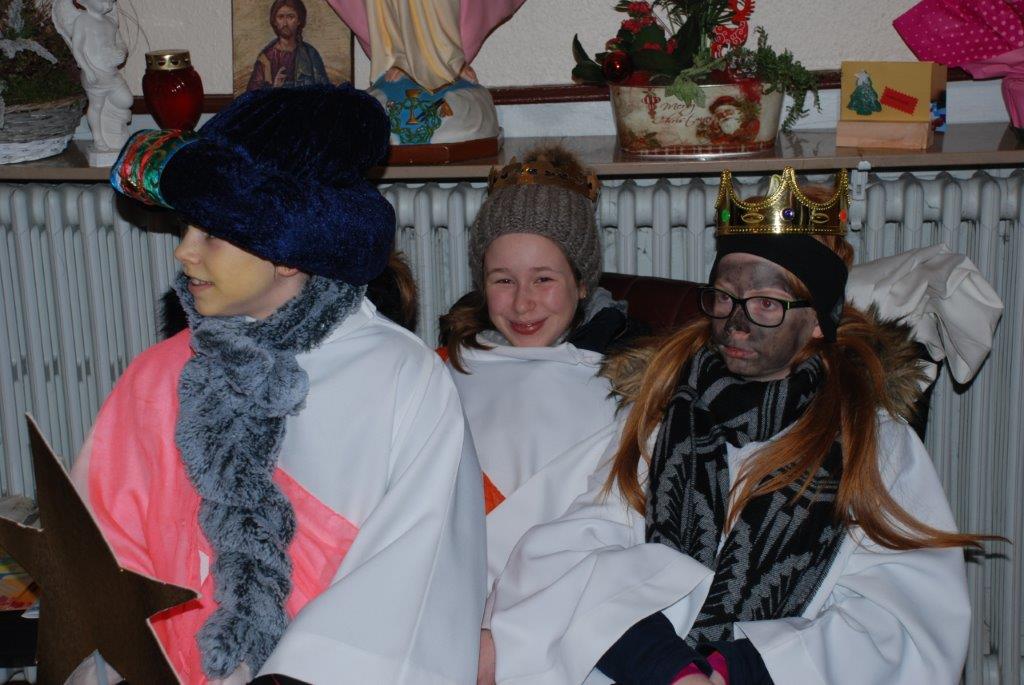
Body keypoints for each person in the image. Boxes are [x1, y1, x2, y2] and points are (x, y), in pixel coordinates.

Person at [486, 167, 981, 685]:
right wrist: (667, 667)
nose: (736, 325)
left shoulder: (872, 443)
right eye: (724, 298)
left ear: (818, 319)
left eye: (767, 304)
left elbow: (905, 625)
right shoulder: (664, 417)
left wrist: (736, 669)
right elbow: (575, 553)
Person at [70, 83, 485, 685]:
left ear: (289, 251)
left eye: (211, 234)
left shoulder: (400, 381)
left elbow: (410, 584)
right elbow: (102, 548)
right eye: (186, 227)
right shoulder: (158, 375)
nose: (184, 252)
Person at [439, 147, 641, 685]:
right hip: (445, 614)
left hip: (561, 628)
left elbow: (618, 534)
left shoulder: (626, 391)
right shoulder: (442, 374)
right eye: (503, 280)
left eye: (544, 279)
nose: (523, 304)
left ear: (582, 281)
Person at [247, 0, 329, 91]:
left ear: (299, 20)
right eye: (280, 17)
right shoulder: (266, 59)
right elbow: (252, 95)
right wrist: (274, 88)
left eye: (290, 17)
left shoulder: (310, 54)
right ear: (275, 21)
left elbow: (325, 91)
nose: (285, 23)